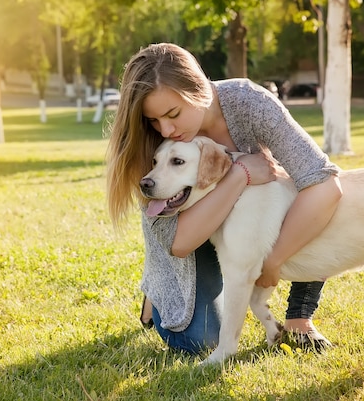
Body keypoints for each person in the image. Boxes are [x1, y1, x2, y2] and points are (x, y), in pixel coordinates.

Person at [106, 43, 343, 355]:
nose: (165, 129)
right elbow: (179, 242)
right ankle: (158, 290)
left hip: (258, 222)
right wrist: (240, 173)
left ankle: (299, 317)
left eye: (173, 113)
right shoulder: (150, 141)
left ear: (200, 90)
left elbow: (322, 183)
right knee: (200, 341)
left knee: (310, 201)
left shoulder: (249, 103)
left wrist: (273, 261)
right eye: (154, 120)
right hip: (189, 244)